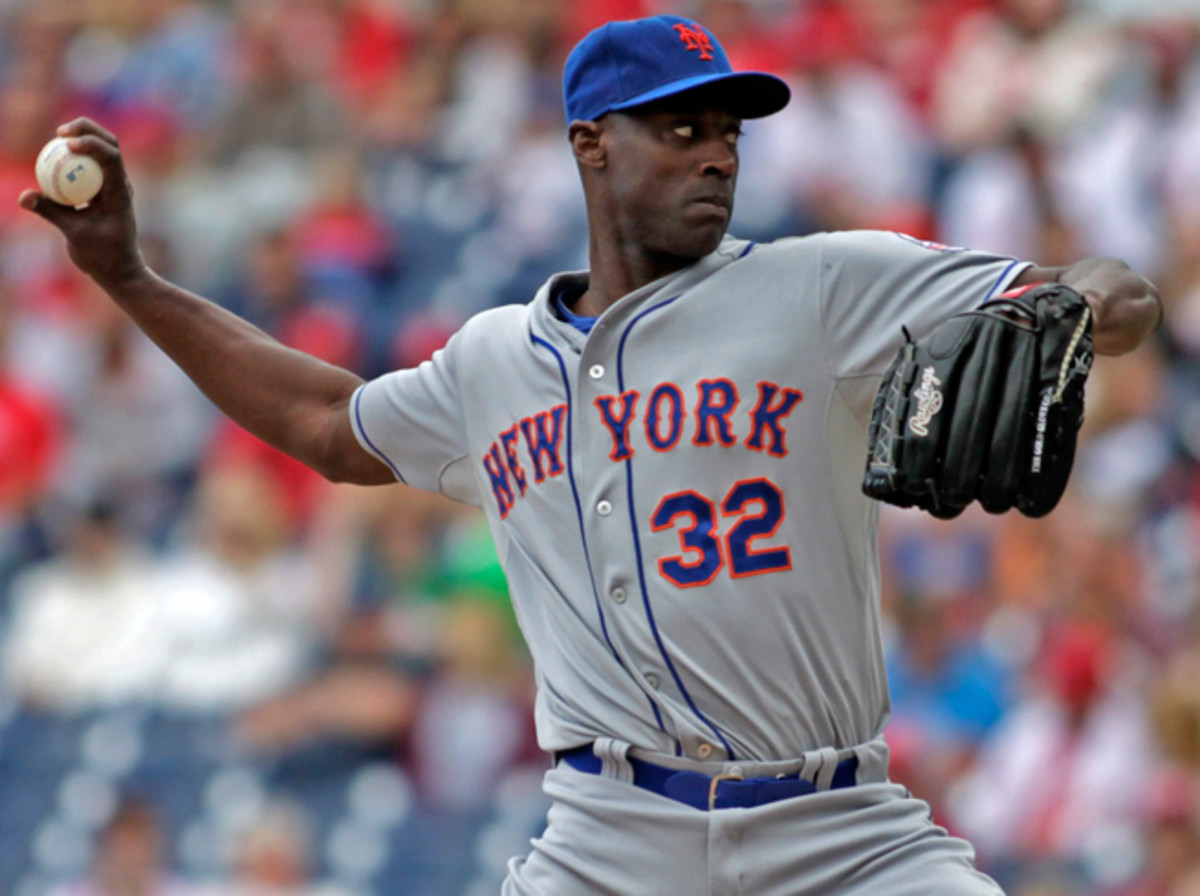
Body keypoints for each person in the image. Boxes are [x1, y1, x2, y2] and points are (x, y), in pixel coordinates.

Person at [19, 14, 1161, 896]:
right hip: (609, 841)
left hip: (838, 829)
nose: (717, 155)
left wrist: (1068, 311)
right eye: (680, 128)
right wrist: (128, 276)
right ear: (589, 147)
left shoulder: (820, 283)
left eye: (727, 131)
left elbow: (1120, 290)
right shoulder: (489, 362)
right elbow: (327, 423)